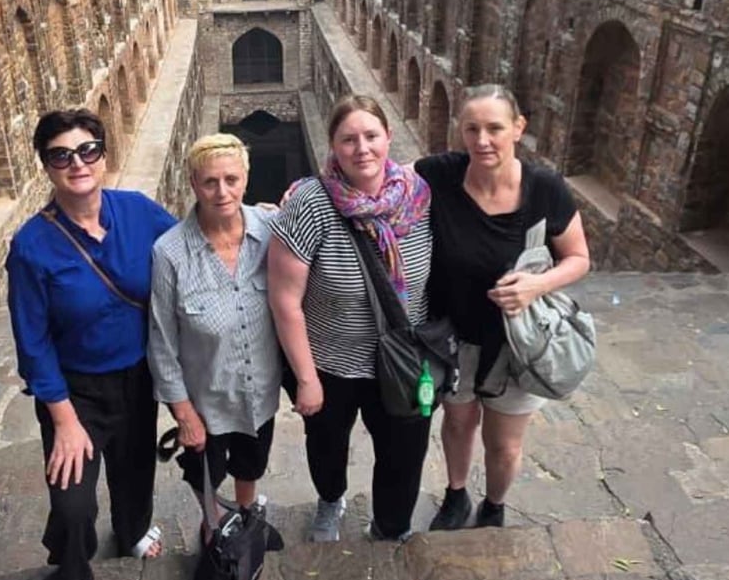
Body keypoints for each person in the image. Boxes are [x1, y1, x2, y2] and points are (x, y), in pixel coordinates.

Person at [6, 108, 177, 580]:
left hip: (137, 376)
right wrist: (63, 420)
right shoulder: (31, 247)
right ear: (46, 166)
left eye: (87, 150)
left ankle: (132, 530)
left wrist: (256, 217)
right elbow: (32, 342)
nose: (77, 163)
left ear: (103, 155)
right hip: (74, 392)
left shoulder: (137, 212)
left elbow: (193, 245)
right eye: (61, 155)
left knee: (135, 469)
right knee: (73, 502)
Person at [417, 84, 591, 530]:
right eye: (471, 129)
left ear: (517, 128)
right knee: (458, 423)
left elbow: (578, 258)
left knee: (504, 444)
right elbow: (377, 175)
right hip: (454, 336)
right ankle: (456, 495)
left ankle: (494, 505)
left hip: (517, 342)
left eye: (494, 128)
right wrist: (307, 191)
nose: (482, 140)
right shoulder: (440, 175)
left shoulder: (545, 189)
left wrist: (537, 285)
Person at [268, 95, 435, 543]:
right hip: (330, 362)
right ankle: (331, 499)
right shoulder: (311, 203)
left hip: (404, 360)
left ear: (388, 138)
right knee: (327, 444)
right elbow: (285, 300)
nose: (362, 148)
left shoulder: (419, 197)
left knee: (404, 453)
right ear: (333, 145)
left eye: (371, 136)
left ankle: (391, 526)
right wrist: (306, 379)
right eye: (348, 139)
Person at [148, 134, 283, 538]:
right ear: (193, 183)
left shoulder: (271, 230)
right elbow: (162, 341)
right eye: (210, 182)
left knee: (251, 462)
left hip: (258, 388)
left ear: (246, 179)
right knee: (204, 470)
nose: (222, 192)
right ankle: (213, 522)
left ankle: (245, 515)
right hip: (205, 397)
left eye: (231, 179)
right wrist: (183, 414)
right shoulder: (170, 252)